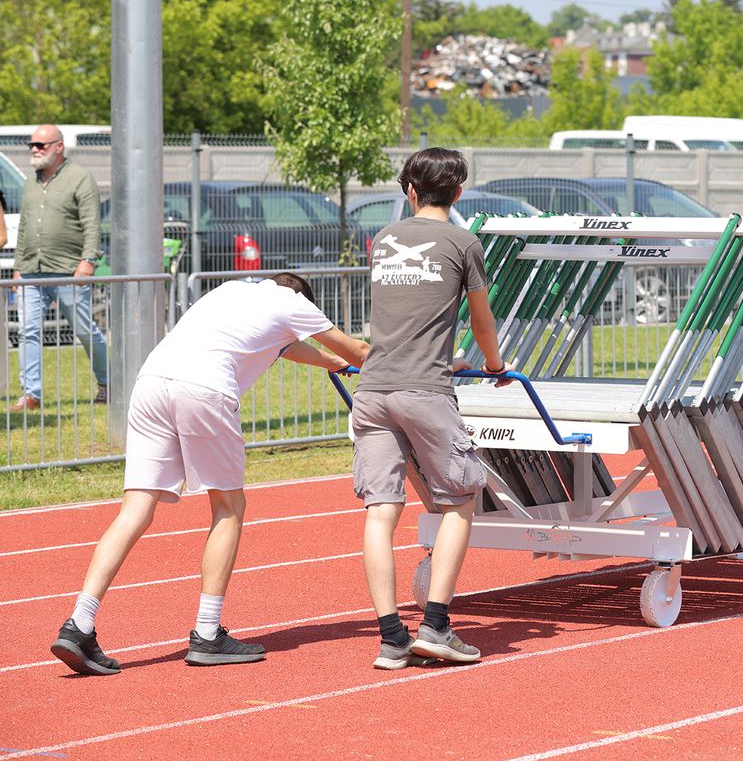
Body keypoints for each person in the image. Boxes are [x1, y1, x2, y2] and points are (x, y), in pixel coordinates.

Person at [50, 272, 369, 675]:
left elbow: (286, 348)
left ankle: (79, 622)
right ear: (301, 298)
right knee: (229, 506)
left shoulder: (234, 291)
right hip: (204, 388)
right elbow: (358, 349)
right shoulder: (295, 304)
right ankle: (206, 632)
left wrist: (328, 361)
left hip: (151, 383)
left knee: (134, 510)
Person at [353, 147, 511, 671]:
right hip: (426, 390)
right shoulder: (464, 242)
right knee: (461, 500)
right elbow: (481, 320)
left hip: (373, 389)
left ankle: (390, 635)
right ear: (459, 193)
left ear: (410, 192)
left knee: (381, 510)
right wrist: (492, 362)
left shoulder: (384, 240)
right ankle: (437, 625)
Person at [12, 125, 109, 411]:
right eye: (32, 145)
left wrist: (88, 261)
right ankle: (32, 395)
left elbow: (93, 223)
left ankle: (108, 382)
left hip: (69, 271)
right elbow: (25, 227)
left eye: (40, 145)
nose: (34, 149)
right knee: (27, 331)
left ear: (58, 147)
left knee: (84, 330)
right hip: (32, 270)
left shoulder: (80, 178)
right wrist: (19, 267)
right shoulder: (30, 182)